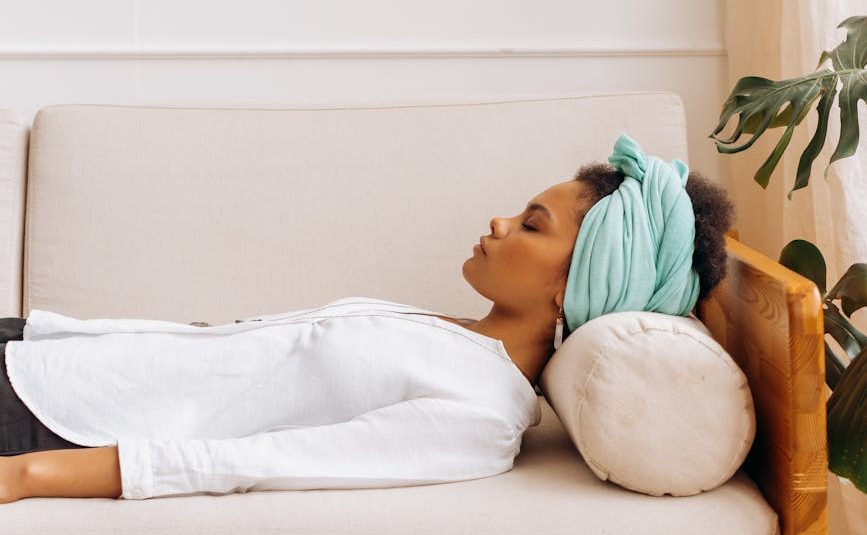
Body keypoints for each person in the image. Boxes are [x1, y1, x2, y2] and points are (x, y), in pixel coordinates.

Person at [0, 133, 733, 504]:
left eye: (532, 225)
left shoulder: (480, 415)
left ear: (577, 284)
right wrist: (38, 332)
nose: (499, 222)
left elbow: (264, 461)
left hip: (52, 418)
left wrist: (27, 476)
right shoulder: (456, 336)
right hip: (38, 353)